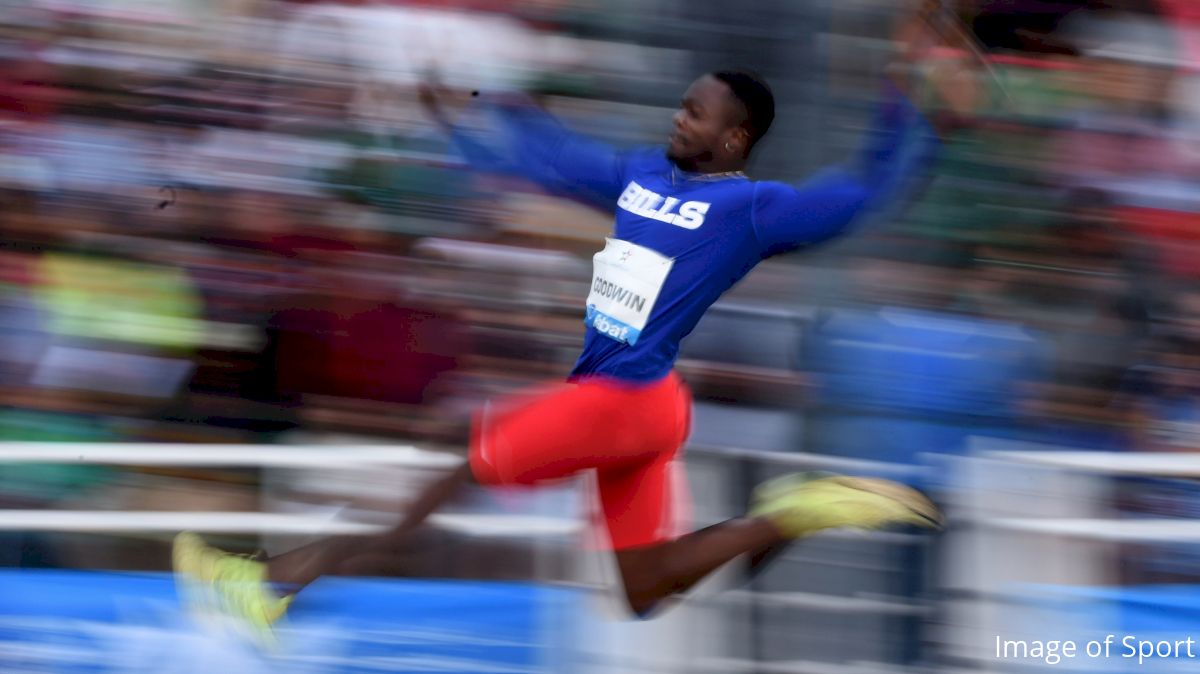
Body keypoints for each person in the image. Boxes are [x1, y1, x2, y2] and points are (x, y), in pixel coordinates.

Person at [174, 2, 977, 639]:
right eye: (680, 105)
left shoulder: (753, 210)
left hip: (622, 401)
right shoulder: (636, 176)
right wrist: (465, 114)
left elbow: (863, 195)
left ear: (735, 137)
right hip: (642, 405)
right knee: (644, 590)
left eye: (695, 115)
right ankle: (791, 512)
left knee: (452, 472)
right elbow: (550, 157)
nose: (677, 120)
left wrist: (907, 95)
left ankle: (272, 581)